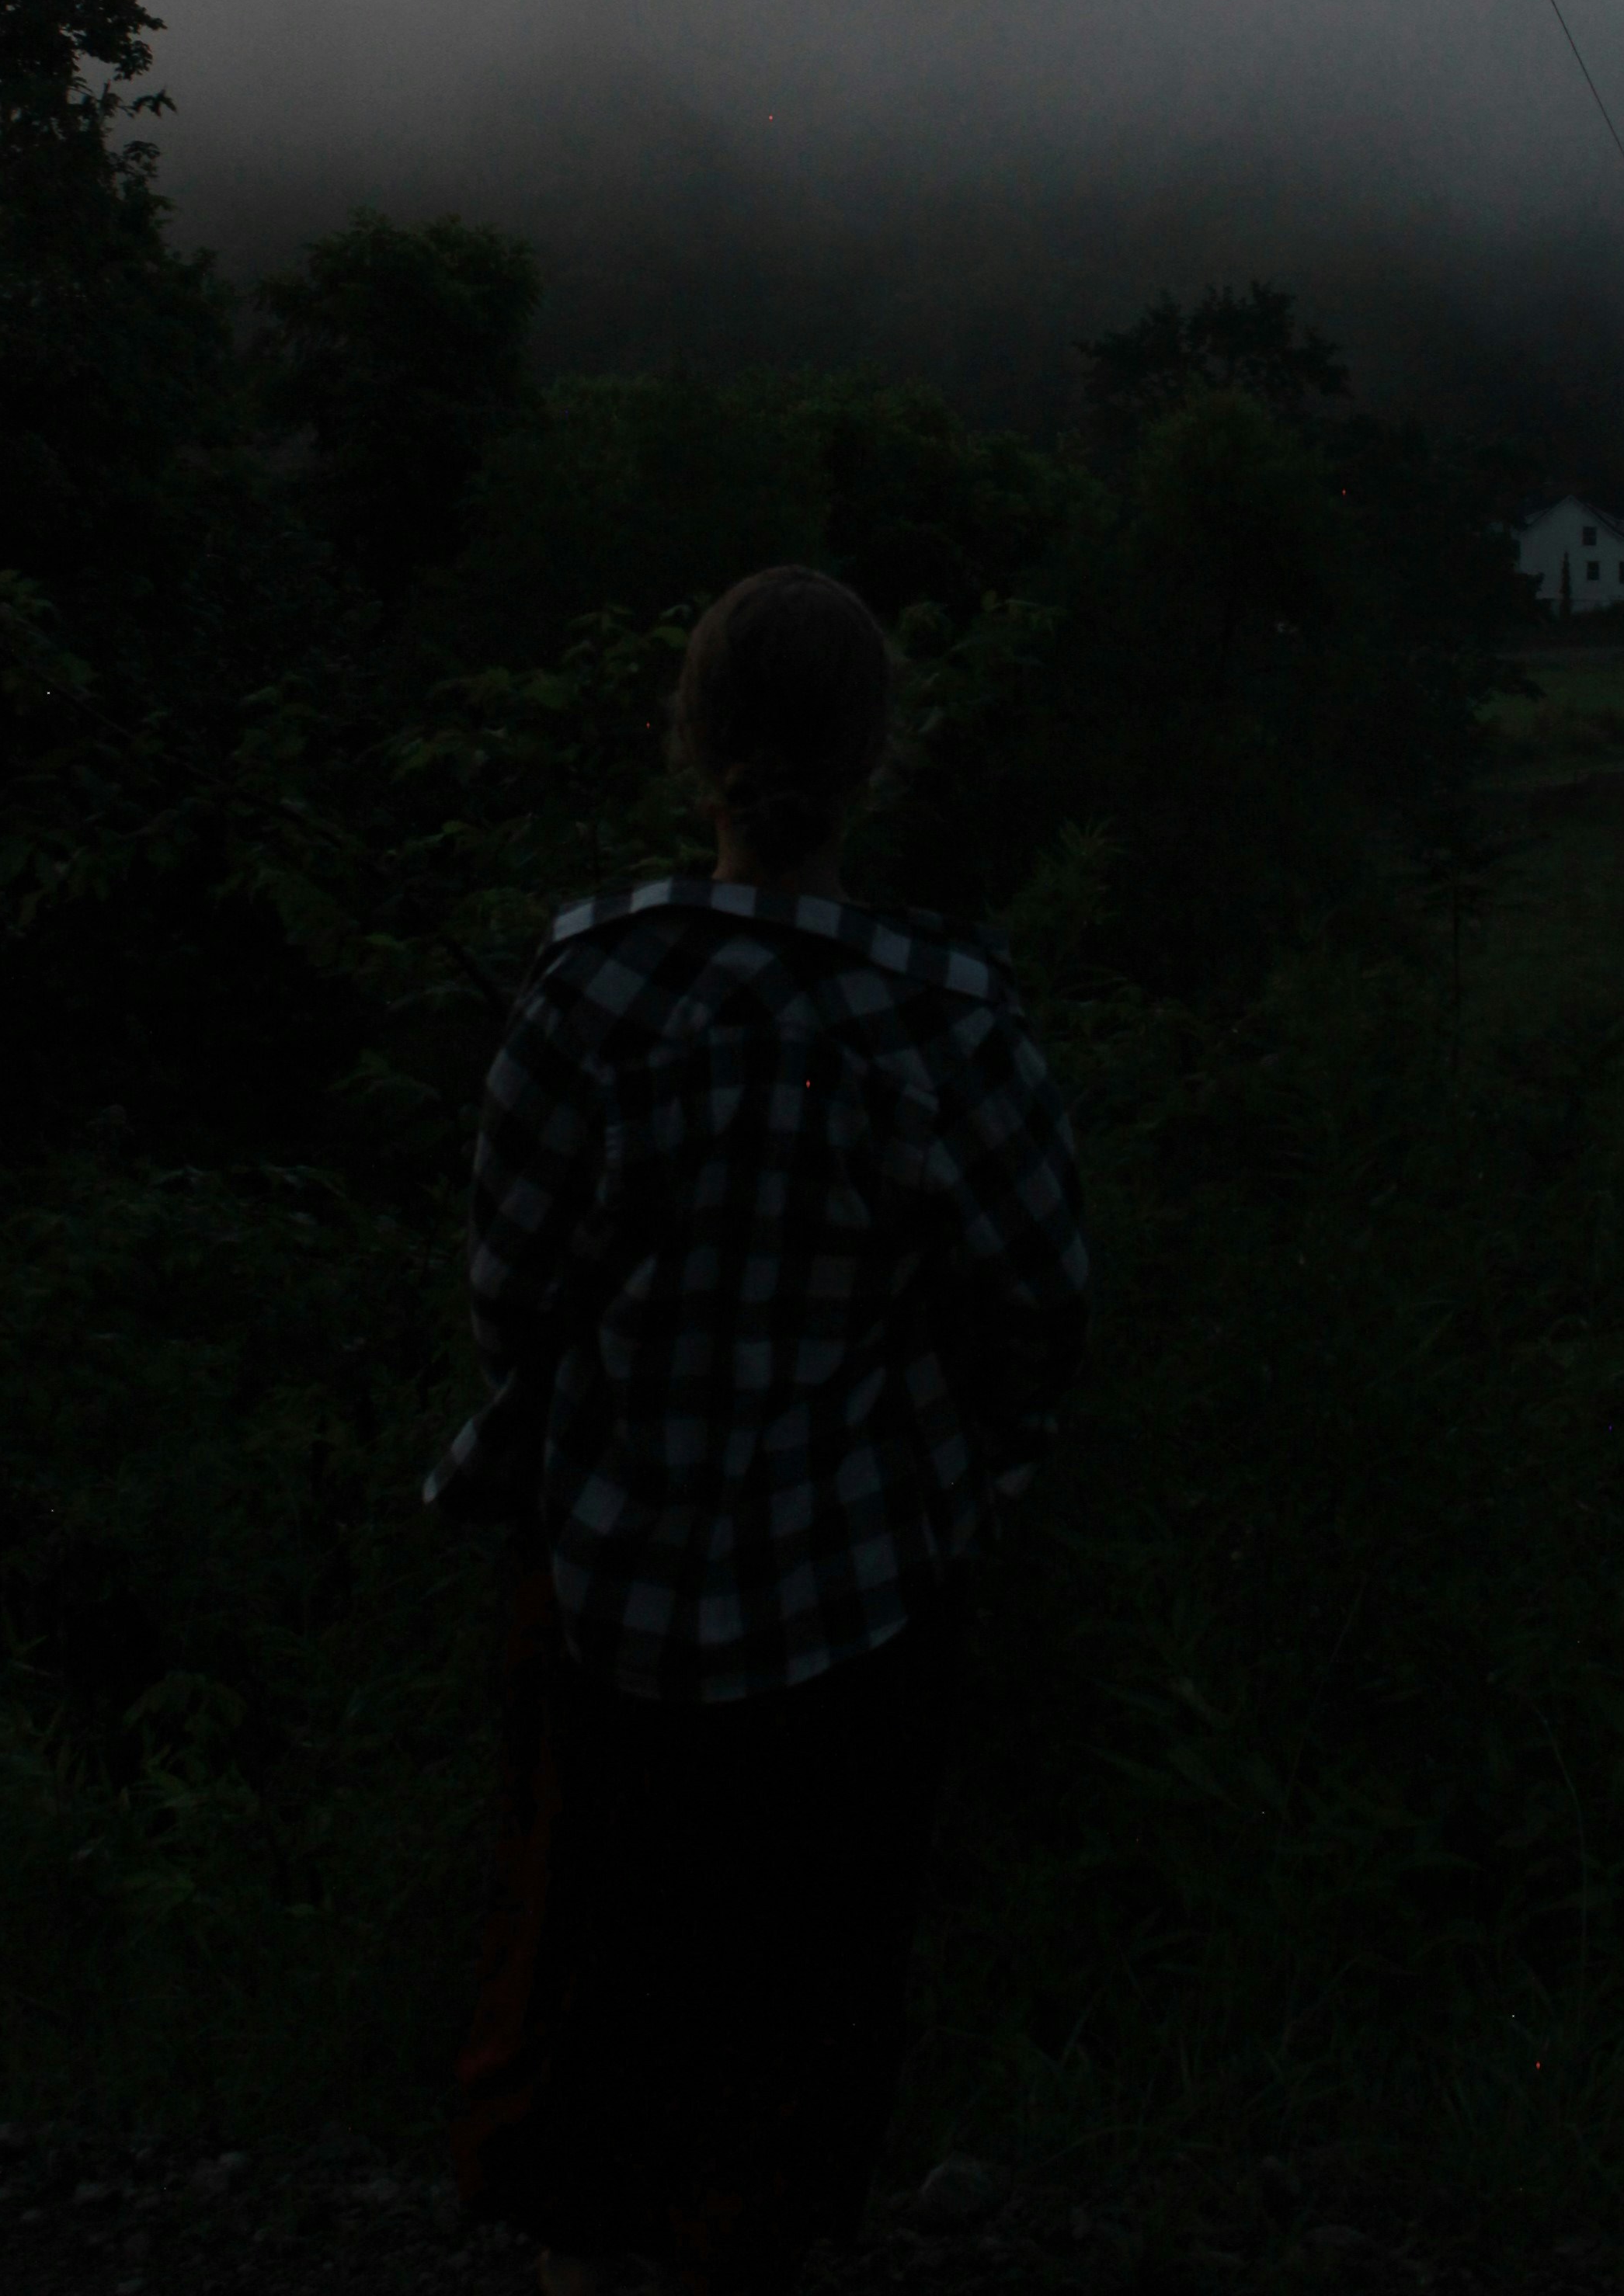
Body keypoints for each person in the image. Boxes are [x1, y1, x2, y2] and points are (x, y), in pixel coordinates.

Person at [428, 565, 1090, 2296]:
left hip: (607, 1588)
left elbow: (511, 1292)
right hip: (859, 1610)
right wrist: (952, 1469)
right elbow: (1038, 1306)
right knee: (800, 2009)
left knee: (600, 1987)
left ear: (694, 746)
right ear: (877, 756)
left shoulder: (588, 989)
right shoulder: (948, 1017)